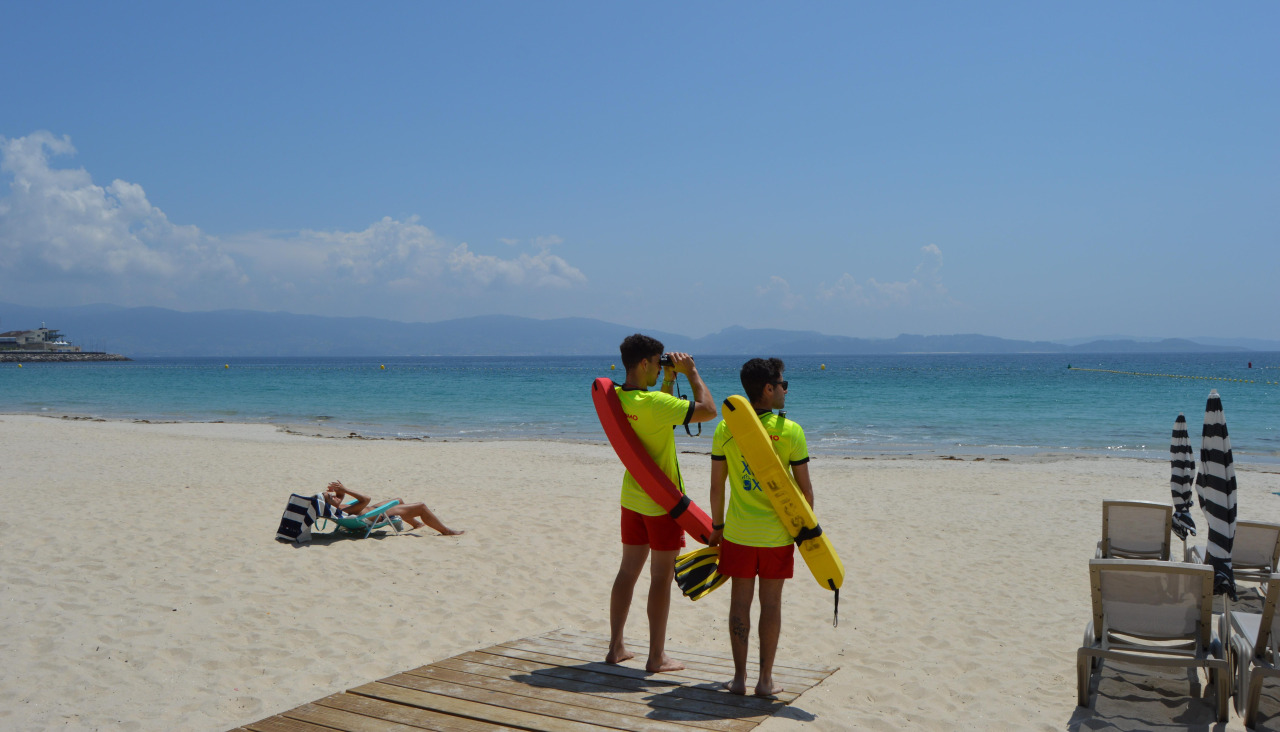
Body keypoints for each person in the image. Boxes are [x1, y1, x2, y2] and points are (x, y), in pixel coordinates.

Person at [606, 333, 716, 672]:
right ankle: (656, 657)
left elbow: (657, 416)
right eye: (657, 364)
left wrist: (668, 380)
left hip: (632, 497)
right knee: (660, 578)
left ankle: (616, 647)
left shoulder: (620, 398)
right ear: (644, 363)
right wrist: (691, 372)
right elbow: (709, 411)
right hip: (663, 504)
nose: (659, 368)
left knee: (627, 571)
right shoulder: (653, 404)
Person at [709, 357, 812, 696]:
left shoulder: (726, 429)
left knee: (739, 603)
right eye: (783, 385)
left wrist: (717, 526)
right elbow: (806, 493)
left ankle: (739, 679)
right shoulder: (790, 431)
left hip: (738, 533)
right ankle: (765, 681)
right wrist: (805, 535)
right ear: (768, 389)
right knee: (771, 605)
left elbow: (717, 486)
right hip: (776, 536)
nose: (785, 390)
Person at [322, 480, 464, 536]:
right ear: (329, 504)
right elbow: (366, 499)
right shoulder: (342, 510)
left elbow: (339, 498)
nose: (334, 496)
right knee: (421, 507)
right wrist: (345, 489)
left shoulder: (337, 507)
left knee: (399, 500)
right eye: (331, 497)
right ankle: (446, 531)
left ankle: (416, 524)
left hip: (372, 509)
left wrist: (338, 490)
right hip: (379, 515)